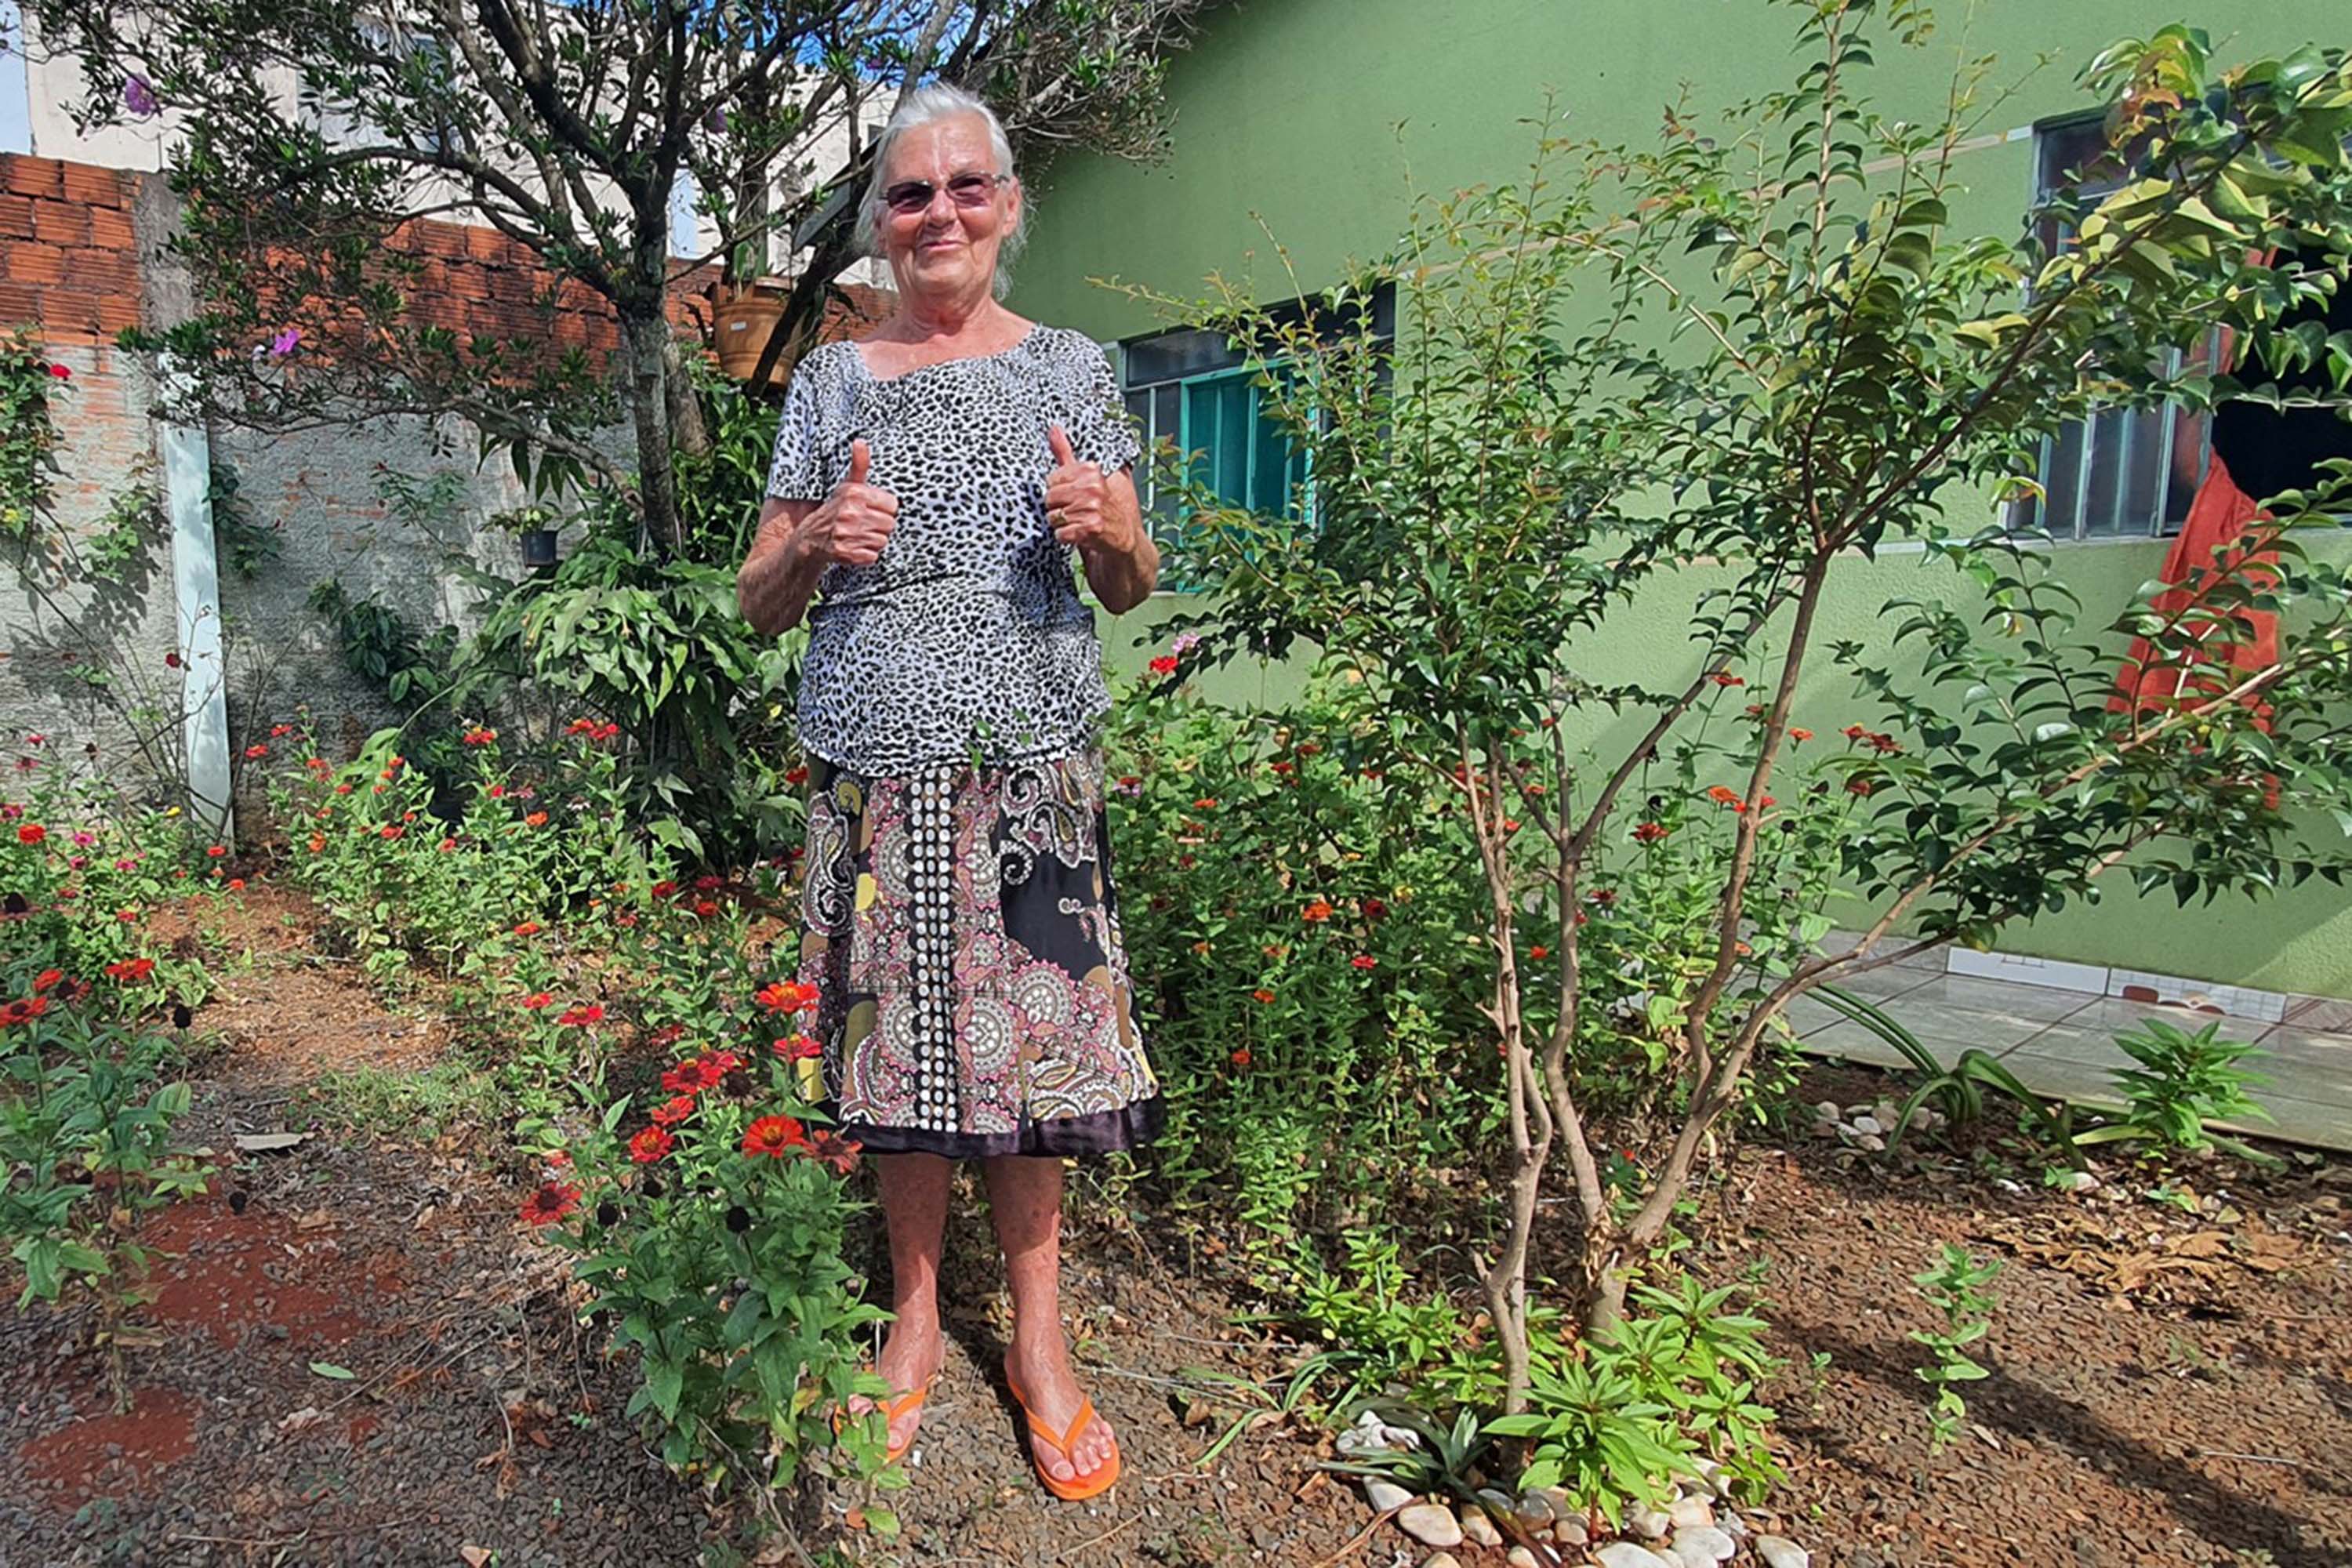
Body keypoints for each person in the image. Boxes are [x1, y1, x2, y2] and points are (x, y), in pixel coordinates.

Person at [735, 82, 1161, 1503]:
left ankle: (1039, 1346)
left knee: (1036, 1066)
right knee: (902, 1068)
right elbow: (754, 601)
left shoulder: (1073, 372)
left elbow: (1127, 581)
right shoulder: (834, 383)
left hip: (1027, 772)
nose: (940, 215)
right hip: (875, 772)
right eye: (911, 194)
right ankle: (915, 1324)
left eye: (966, 186)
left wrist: (1113, 529)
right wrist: (814, 549)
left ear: (1010, 203)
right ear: (879, 221)